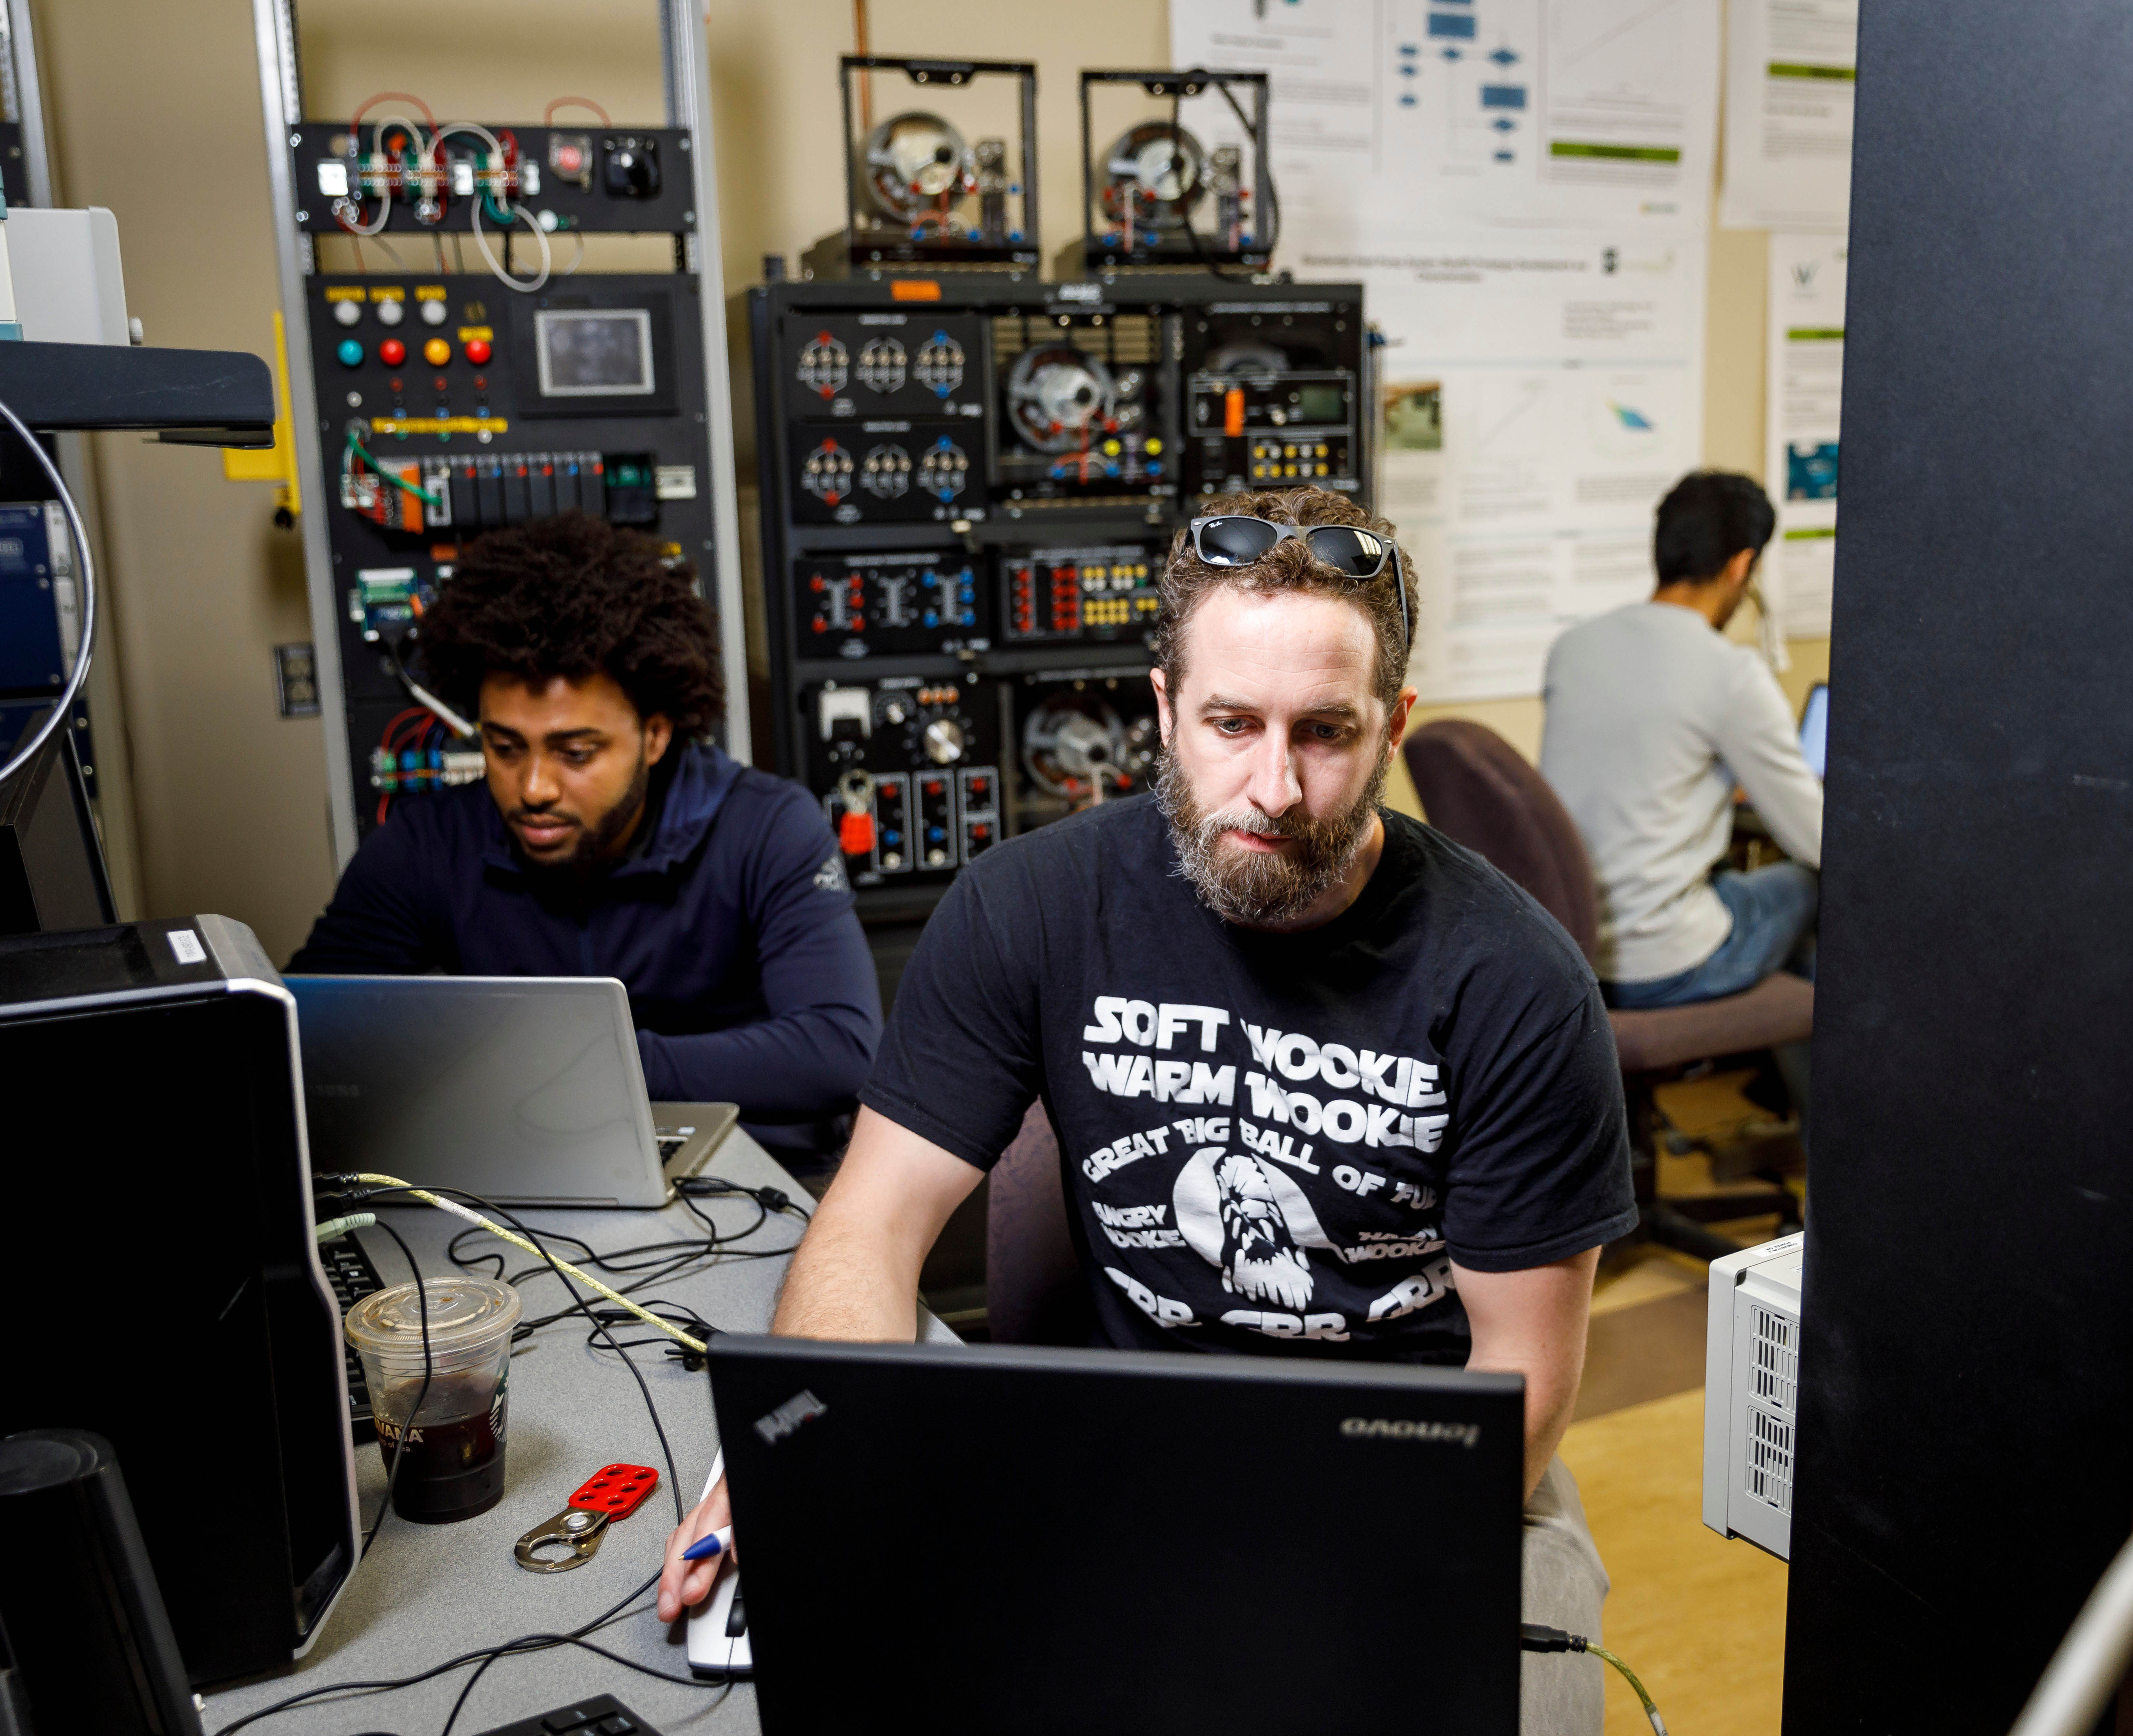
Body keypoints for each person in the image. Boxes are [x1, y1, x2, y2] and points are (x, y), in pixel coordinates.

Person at [655, 487, 1638, 1735]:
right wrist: (807, 1466)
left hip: (1420, 1477)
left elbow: (1526, 1392)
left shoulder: (1513, 982)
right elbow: (873, 1222)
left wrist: (1286, 1591)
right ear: (1165, 708)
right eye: (1230, 722)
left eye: (1323, 732)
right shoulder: (1031, 905)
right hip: (1119, 1450)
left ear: (1391, 726)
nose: (1273, 787)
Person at [286, 513, 880, 1160]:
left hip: (751, 1170)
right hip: (525, 1177)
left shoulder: (768, 828)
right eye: (505, 747)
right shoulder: (428, 844)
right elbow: (301, 1036)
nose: (534, 786)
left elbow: (840, 1050)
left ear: (654, 736)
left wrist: (595, 1062)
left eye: (575, 752)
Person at [1538, 471, 1822, 1009]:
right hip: (1663, 963)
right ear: (1742, 566)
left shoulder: (1574, 648)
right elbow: (1819, 839)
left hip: (1572, 947)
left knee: (1757, 908)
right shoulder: (1731, 673)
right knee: (1812, 888)